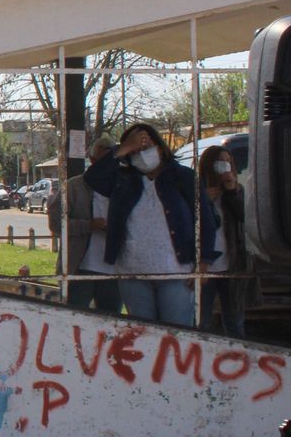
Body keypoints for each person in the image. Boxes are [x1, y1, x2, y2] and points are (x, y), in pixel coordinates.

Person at [85, 123, 217, 326]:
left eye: (146, 146)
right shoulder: (122, 180)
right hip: (133, 272)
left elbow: (205, 220)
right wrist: (122, 149)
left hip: (176, 271)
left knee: (176, 332)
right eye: (135, 149)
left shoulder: (183, 177)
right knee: (143, 335)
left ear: (160, 146)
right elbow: (93, 178)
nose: (141, 153)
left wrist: (204, 262)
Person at [47, 137, 122, 314]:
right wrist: (88, 226)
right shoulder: (74, 187)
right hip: (78, 268)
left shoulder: (123, 186)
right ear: (92, 159)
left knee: (111, 321)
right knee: (74, 316)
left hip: (114, 270)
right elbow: (56, 223)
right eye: (103, 158)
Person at [196, 145, 260, 338]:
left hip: (232, 264)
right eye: (219, 162)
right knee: (201, 320)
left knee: (234, 320)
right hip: (204, 265)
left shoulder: (238, 190)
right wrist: (203, 199)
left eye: (228, 161)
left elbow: (246, 218)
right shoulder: (197, 190)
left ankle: (236, 357)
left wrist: (231, 190)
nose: (224, 166)